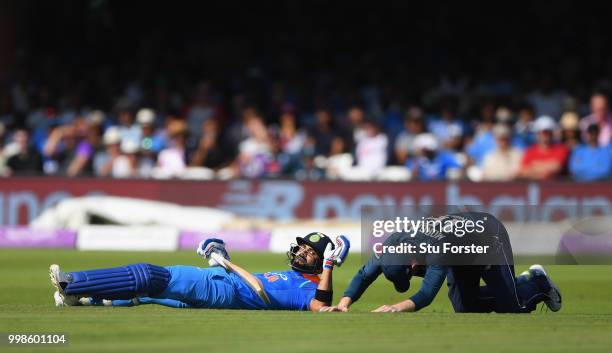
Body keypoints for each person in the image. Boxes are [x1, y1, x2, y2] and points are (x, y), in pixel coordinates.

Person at [49, 233, 349, 312]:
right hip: (223, 287)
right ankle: (83, 298)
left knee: (150, 275)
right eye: (301, 247)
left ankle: (71, 283)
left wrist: (329, 266)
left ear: (321, 261)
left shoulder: (307, 290)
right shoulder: (295, 278)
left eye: (310, 251)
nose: (301, 252)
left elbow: (321, 304)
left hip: (220, 290)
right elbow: (250, 281)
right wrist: (222, 257)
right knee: (150, 294)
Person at [334, 212, 561, 313]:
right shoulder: (391, 245)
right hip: (459, 250)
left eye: (410, 276)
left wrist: (396, 307)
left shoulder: (436, 250)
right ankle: (512, 286)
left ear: (413, 265)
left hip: (488, 238)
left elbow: (427, 294)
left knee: (513, 308)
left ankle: (538, 283)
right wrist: (344, 304)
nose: (412, 276)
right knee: (466, 308)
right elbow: (364, 274)